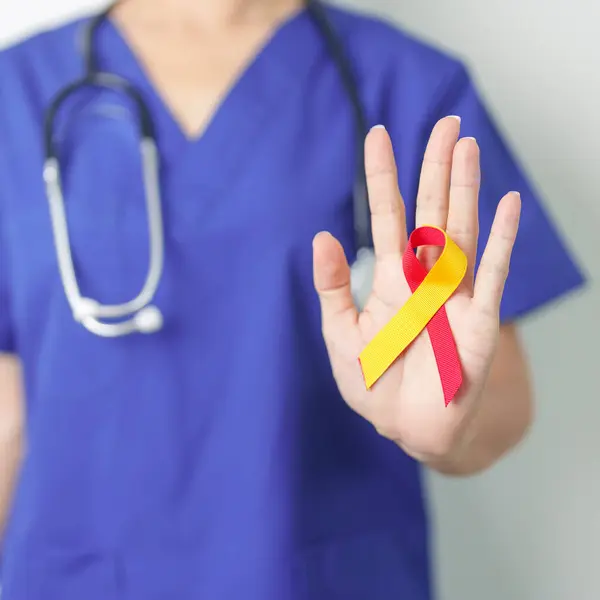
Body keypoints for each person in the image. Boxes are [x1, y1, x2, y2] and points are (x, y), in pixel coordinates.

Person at [0, 0, 585, 598]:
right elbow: (6, 410)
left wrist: (448, 427)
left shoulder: (403, 85)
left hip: (312, 577)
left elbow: (498, 396)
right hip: (73, 576)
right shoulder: (13, 92)